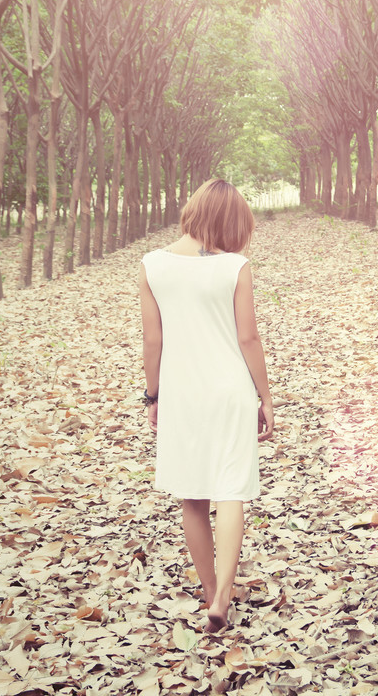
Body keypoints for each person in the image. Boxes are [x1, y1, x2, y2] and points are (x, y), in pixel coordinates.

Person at [139, 178, 273, 633]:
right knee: (231, 488)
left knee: (192, 497)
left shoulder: (152, 265)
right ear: (232, 222)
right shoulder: (235, 267)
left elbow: (152, 340)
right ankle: (223, 597)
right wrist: (265, 395)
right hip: (229, 389)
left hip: (181, 391)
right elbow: (248, 337)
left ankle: (210, 589)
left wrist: (153, 396)